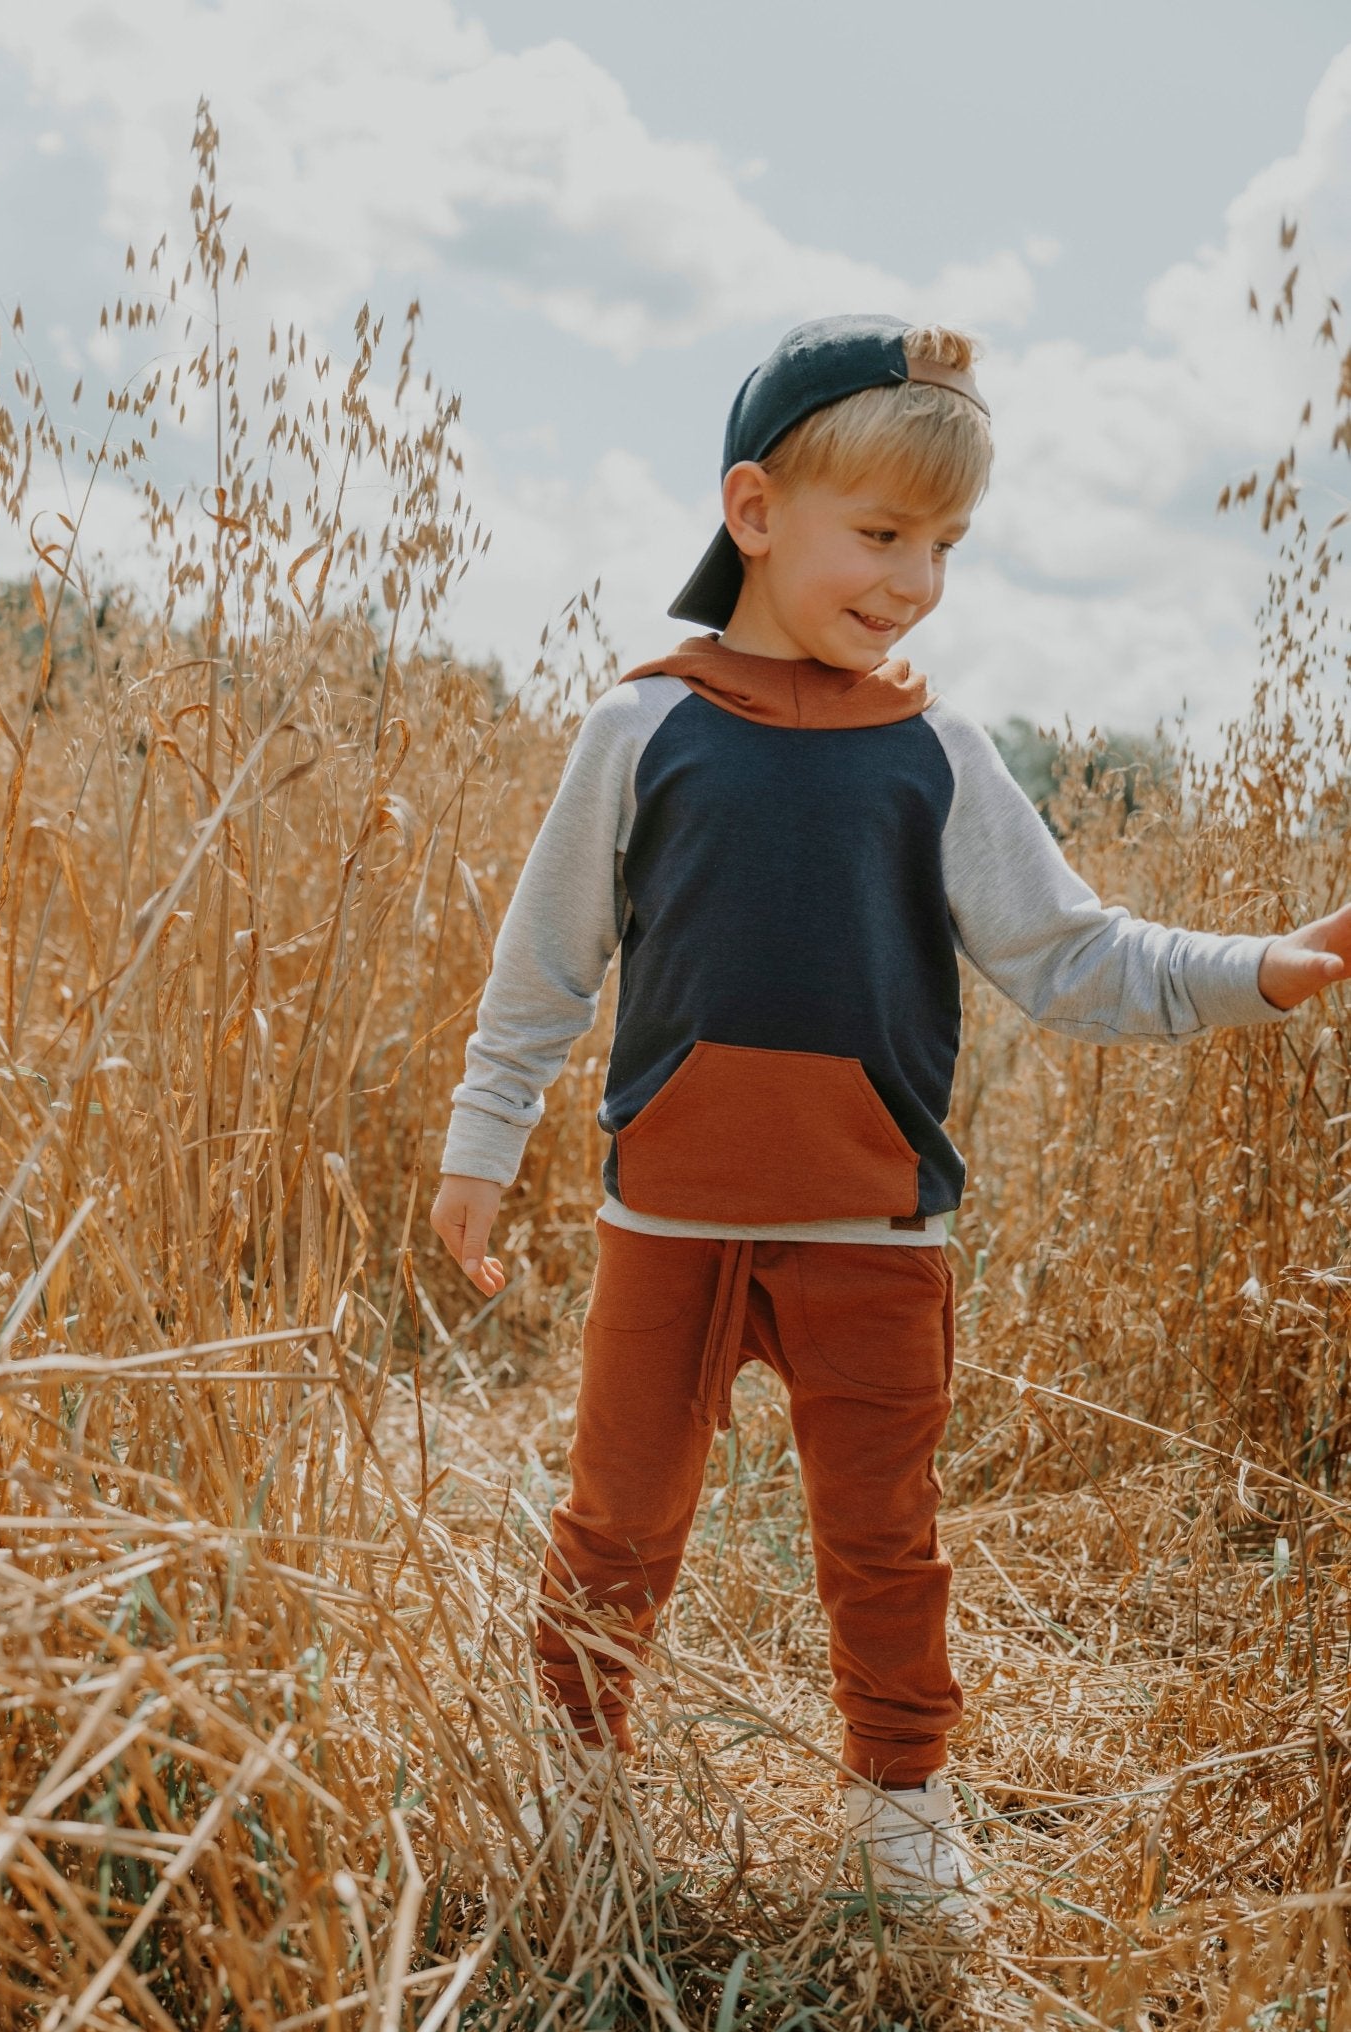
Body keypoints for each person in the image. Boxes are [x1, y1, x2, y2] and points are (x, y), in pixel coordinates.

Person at [431, 313, 1351, 1920]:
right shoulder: (642, 729)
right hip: (668, 1219)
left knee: (884, 1536)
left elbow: (1076, 958)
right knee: (618, 1522)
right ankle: (571, 1785)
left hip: (875, 1229)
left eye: (945, 546)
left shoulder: (937, 753)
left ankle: (901, 1814)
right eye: (881, 534)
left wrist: (1262, 969)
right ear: (753, 511)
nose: (915, 579)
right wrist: (480, 1141)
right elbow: (545, 965)